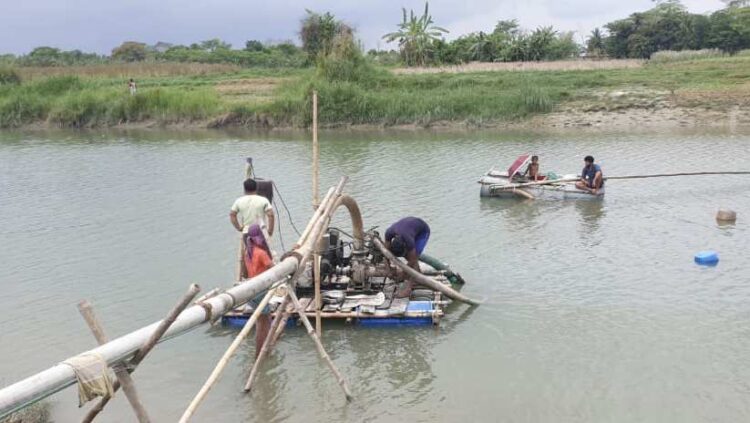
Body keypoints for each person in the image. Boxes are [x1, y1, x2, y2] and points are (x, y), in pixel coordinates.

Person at [243, 224, 273, 358]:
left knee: (264, 319)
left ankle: (265, 348)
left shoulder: (247, 252)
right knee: (262, 323)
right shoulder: (261, 253)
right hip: (261, 290)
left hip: (252, 288)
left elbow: (245, 272)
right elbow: (272, 268)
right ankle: (260, 353)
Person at [385, 217, 431, 298]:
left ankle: (410, 287)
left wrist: (403, 273)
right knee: (410, 259)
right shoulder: (388, 233)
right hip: (408, 228)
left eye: (403, 254)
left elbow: (412, 260)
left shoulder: (409, 242)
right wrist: (388, 269)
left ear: (406, 247)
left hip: (422, 231)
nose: (403, 256)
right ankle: (418, 274)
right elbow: (386, 254)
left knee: (413, 257)